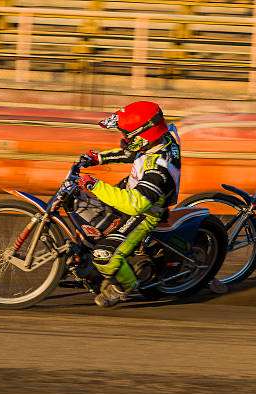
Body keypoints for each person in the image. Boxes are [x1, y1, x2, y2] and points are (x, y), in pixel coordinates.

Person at [77, 101, 181, 307]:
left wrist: (94, 185)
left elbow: (135, 205)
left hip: (145, 211)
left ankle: (124, 287)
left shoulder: (159, 168)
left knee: (103, 255)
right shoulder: (162, 137)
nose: (124, 137)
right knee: (80, 202)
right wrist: (98, 157)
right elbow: (134, 153)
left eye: (127, 134)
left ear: (142, 136)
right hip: (133, 189)